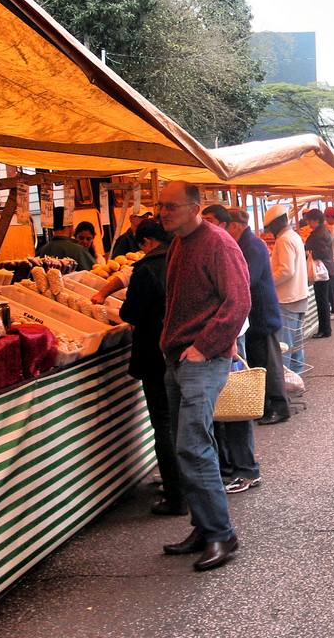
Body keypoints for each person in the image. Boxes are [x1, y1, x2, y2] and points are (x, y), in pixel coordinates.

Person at [158, 181, 251, 572]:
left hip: (200, 358)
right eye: (160, 206)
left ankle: (221, 534)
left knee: (192, 446)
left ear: (196, 207)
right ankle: (202, 526)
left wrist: (206, 346)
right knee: (191, 447)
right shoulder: (180, 242)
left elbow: (239, 301)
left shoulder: (218, 243)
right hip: (178, 357)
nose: (163, 212)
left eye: (172, 206)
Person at [117, 218, 184, 516]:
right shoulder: (180, 259)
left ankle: (175, 493)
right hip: (181, 351)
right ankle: (189, 485)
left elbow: (130, 311)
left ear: (145, 242)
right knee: (182, 420)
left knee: (164, 423)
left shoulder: (145, 269)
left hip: (154, 353)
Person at [224, 208, 291, 428]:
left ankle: (280, 407)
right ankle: (266, 405)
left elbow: (247, 279)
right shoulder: (249, 244)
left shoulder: (252, 246)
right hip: (258, 315)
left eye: (226, 226)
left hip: (262, 314)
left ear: (235, 226)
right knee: (261, 362)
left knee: (269, 364)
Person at [266, 204, 309, 376]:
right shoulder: (294, 236)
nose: (270, 231)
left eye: (270, 227)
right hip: (298, 296)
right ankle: (297, 377)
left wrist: (268, 282)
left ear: (276, 224)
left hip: (287, 298)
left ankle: (286, 383)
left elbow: (286, 270)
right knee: (296, 344)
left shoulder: (284, 239)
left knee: (284, 345)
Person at [304, 208, 334, 339]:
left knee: (321, 301)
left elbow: (321, 252)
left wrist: (309, 253)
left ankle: (324, 329)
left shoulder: (319, 233)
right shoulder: (323, 231)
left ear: (316, 220)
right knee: (323, 300)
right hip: (326, 269)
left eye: (310, 221)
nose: (308, 224)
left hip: (322, 271)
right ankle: (325, 328)